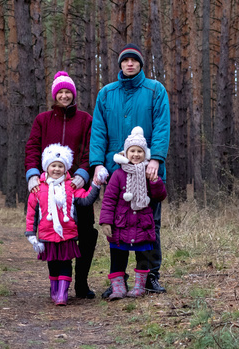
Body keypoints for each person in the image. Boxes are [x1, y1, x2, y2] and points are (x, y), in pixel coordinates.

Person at [89, 43, 171, 295]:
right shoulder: (106, 94)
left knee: (149, 225)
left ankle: (150, 277)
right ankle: (118, 281)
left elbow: (161, 126)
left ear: (141, 64)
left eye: (134, 60)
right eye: (125, 60)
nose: (130, 64)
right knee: (117, 226)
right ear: (120, 65)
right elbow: (98, 131)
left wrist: (155, 158)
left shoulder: (155, 90)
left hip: (148, 172)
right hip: (116, 172)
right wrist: (97, 164)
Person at [24, 70, 99, 298]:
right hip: (47, 186)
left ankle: (81, 283)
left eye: (68, 92)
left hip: (76, 186)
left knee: (86, 233)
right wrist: (33, 175)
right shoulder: (42, 120)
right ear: (55, 95)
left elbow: (90, 150)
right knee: (51, 236)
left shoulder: (85, 119)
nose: (64, 96)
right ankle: (57, 283)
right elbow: (32, 148)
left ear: (73, 95)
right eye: (61, 92)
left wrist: (84, 174)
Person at [25, 144, 102, 305]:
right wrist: (31, 234)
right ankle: (54, 290)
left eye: (60, 166)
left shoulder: (71, 186)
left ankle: (62, 294)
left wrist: (96, 184)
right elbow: (32, 212)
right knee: (53, 265)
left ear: (65, 168)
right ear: (47, 167)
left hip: (67, 234)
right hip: (47, 235)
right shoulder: (39, 188)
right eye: (53, 166)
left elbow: (86, 200)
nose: (57, 169)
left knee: (66, 264)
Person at [98, 127, 167, 299]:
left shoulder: (149, 173)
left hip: (142, 224)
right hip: (121, 224)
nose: (136, 155)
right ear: (126, 153)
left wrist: (155, 182)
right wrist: (106, 222)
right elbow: (108, 200)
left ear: (145, 154)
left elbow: (159, 196)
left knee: (143, 255)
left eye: (139, 151)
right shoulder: (118, 175)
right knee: (118, 255)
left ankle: (139, 286)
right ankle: (118, 287)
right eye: (132, 151)